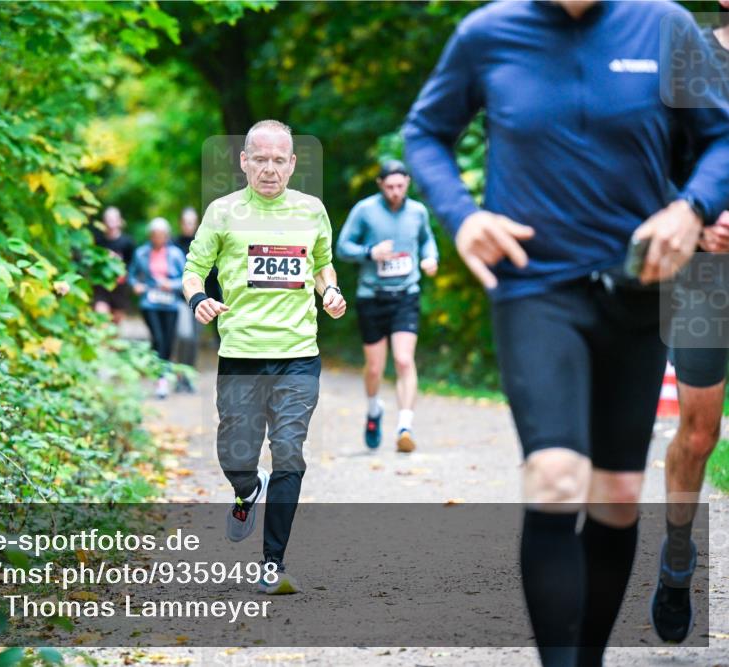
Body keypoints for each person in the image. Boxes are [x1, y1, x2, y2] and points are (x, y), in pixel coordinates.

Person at [403, 1, 729, 665]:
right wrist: (463, 216)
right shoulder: (488, 32)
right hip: (535, 284)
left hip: (638, 286)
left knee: (614, 496)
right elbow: (425, 134)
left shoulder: (665, 26)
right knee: (555, 476)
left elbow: (720, 139)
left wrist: (691, 206)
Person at [182, 119, 346, 594]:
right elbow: (193, 271)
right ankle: (245, 488)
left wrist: (330, 290)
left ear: (292, 164)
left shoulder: (312, 211)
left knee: (290, 454)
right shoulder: (222, 212)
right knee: (235, 454)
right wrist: (199, 300)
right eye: (261, 159)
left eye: (279, 160)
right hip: (241, 352)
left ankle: (271, 563)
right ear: (244, 161)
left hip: (298, 354)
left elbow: (321, 264)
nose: (269, 169)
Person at [652, 3, 729, 643]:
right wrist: (695, 217)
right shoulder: (687, 58)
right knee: (700, 434)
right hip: (706, 275)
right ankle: (678, 551)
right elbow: (644, 157)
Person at [336, 159, 439, 452]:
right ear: (380, 185)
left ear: (407, 183)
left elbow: (428, 241)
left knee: (405, 360)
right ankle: (373, 410)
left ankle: (405, 426)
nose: (395, 192)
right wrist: (370, 252)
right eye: (390, 186)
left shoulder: (417, 212)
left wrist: (431, 258)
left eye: (400, 186)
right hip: (372, 296)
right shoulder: (365, 211)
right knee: (375, 367)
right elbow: (343, 247)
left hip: (406, 294)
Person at [128, 217, 187, 399]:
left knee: (168, 341)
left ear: (167, 235)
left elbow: (187, 279)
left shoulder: (176, 254)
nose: (158, 239)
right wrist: (136, 285)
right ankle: (160, 379)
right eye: (154, 235)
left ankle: (163, 371)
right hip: (150, 302)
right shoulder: (141, 253)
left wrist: (171, 284)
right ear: (150, 236)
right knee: (158, 338)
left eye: (161, 235)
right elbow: (132, 275)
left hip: (170, 303)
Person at [173, 207, 201, 393]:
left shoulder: (202, 244)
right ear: (181, 223)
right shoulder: (173, 245)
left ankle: (188, 377)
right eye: (186, 222)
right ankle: (179, 376)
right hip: (181, 299)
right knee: (184, 337)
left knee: (194, 341)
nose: (189, 226)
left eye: (192, 222)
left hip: (201, 299)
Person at [92, 206, 135, 325]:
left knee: (115, 326)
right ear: (103, 222)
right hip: (101, 287)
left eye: (113, 220)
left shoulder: (128, 242)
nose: (111, 223)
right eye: (108, 220)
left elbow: (132, 266)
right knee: (102, 321)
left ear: (120, 221)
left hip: (120, 289)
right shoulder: (97, 241)